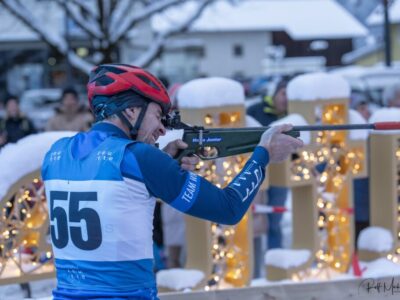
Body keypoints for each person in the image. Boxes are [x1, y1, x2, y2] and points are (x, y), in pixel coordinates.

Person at [41, 64, 303, 299]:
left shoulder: (56, 153)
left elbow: (114, 199)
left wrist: (162, 168)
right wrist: (263, 155)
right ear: (131, 111)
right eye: (158, 114)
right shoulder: (140, 158)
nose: (163, 128)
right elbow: (228, 209)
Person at [247, 79, 289, 249]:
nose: (286, 99)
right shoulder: (256, 111)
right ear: (275, 93)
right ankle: (255, 267)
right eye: (283, 93)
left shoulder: (294, 114)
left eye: (290, 95)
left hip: (282, 174)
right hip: (259, 172)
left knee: (275, 222)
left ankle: (275, 258)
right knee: (254, 221)